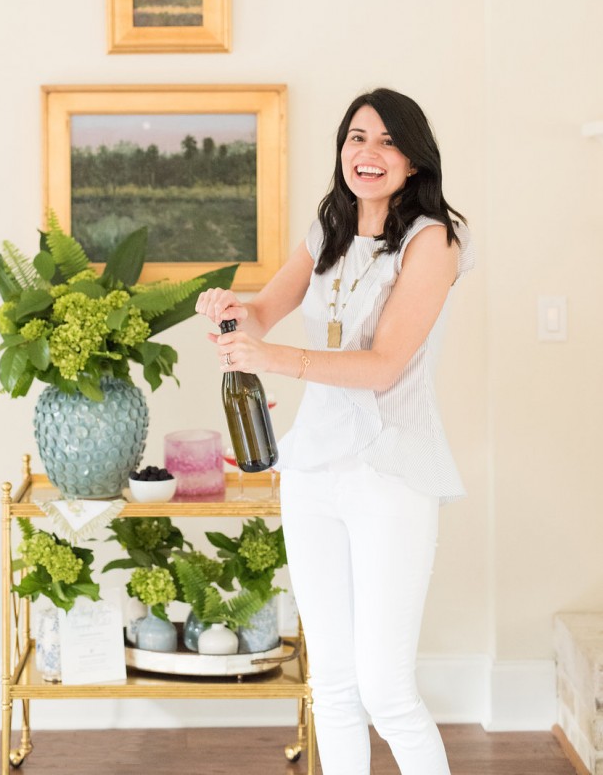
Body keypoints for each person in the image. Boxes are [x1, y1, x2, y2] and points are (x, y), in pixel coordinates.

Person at [195, 88, 474, 775]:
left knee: (385, 690)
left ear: (413, 159)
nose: (367, 153)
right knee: (332, 686)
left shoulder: (432, 241)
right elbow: (261, 315)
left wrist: (273, 358)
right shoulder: (327, 233)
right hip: (313, 472)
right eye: (355, 138)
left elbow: (382, 366)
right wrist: (228, 311)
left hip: (390, 474)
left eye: (385, 141)